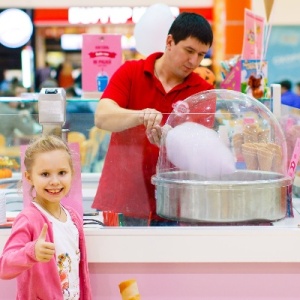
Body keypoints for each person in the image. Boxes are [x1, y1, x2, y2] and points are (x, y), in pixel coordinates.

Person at [92, 12, 215, 226]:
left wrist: (171, 140)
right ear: (169, 41)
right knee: (123, 259)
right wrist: (140, 116)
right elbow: (102, 116)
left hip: (176, 204)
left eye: (201, 55)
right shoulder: (131, 72)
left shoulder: (203, 92)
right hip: (126, 197)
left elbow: (200, 151)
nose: (194, 61)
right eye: (189, 51)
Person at [0, 135, 92, 299]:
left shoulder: (73, 218)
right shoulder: (28, 219)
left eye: (62, 173)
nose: (55, 181)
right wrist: (31, 252)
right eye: (45, 174)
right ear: (29, 177)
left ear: (72, 173)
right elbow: (4, 267)